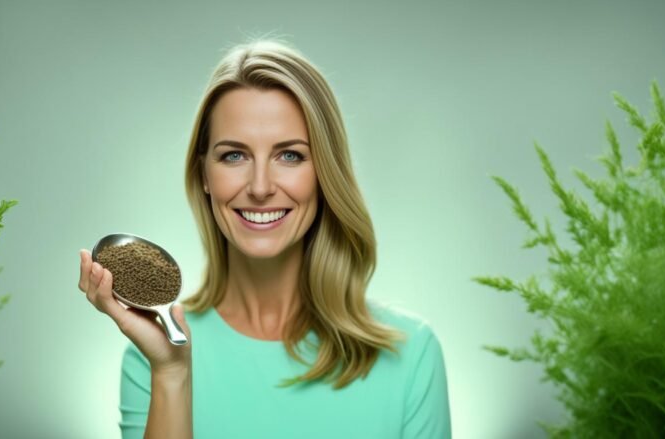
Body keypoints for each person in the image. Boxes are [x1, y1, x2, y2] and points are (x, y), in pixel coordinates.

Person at [78, 39, 451, 439]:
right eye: (234, 156)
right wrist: (171, 373)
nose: (259, 187)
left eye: (289, 155)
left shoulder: (411, 354)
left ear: (324, 172)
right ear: (204, 174)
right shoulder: (153, 354)